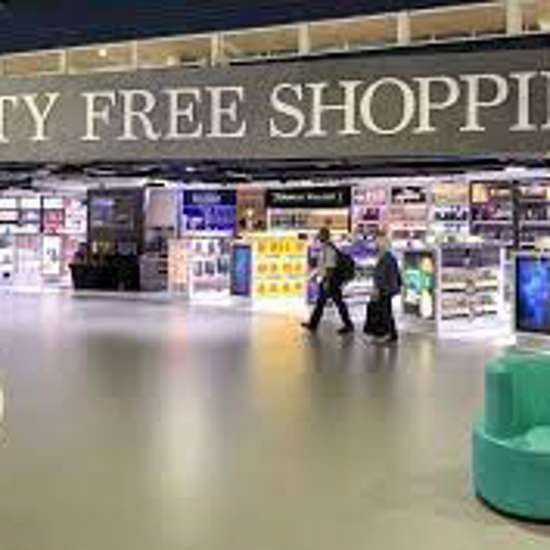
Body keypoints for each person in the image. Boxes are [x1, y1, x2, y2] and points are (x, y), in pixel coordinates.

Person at [302, 227, 354, 335]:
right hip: (328, 280)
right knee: (322, 303)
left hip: (331, 281)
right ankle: (313, 324)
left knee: (338, 303)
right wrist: (316, 275)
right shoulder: (325, 247)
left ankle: (348, 324)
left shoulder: (329, 248)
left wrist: (327, 282)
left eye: (320, 235)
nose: (318, 237)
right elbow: (323, 265)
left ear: (324, 236)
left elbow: (330, 267)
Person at [364, 229, 401, 343]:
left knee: (384, 311)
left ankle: (385, 333)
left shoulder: (388, 258)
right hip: (384, 288)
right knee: (385, 311)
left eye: (377, 241)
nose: (376, 243)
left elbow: (389, 275)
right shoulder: (382, 256)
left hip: (385, 289)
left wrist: (381, 288)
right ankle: (392, 333)